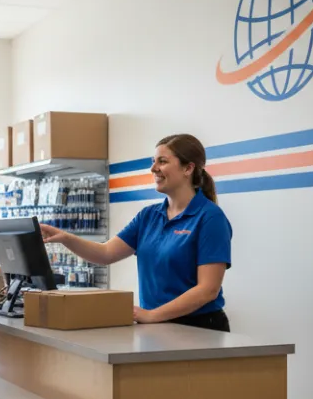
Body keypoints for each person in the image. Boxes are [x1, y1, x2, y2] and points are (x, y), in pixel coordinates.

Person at [41, 134, 233, 331]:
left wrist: (151, 315)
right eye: (153, 161)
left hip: (199, 328)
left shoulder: (210, 218)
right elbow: (105, 253)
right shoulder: (148, 216)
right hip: (159, 326)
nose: (153, 168)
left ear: (188, 168)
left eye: (163, 161)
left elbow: (208, 290)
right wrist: (65, 238)